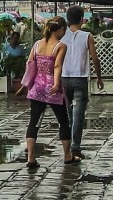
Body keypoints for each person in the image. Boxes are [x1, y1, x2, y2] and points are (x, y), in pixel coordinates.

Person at [24, 16, 78, 168]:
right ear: (60, 29)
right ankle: (68, 155)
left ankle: (31, 158)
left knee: (34, 122)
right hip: (53, 89)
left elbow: (30, 63)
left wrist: (29, 83)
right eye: (64, 30)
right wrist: (55, 83)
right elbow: (57, 66)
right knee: (63, 122)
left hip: (37, 88)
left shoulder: (37, 45)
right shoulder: (60, 46)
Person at [60, 6, 104, 161]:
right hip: (80, 78)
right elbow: (95, 58)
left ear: (67, 19)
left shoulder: (61, 36)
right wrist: (99, 77)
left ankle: (69, 146)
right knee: (78, 114)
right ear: (81, 19)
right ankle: (75, 147)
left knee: (68, 114)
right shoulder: (87, 36)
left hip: (64, 78)